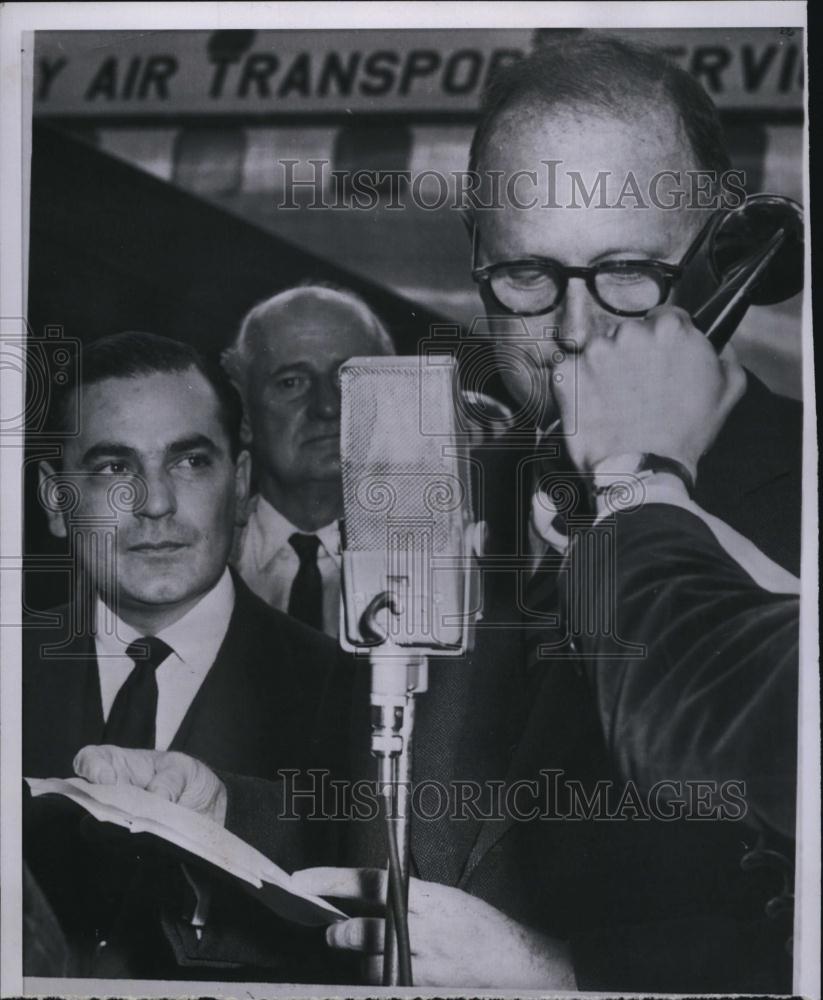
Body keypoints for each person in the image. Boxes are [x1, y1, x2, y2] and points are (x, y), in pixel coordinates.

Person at [67, 35, 804, 992]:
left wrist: (562, 973)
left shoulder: (800, 491)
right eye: (527, 279)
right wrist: (227, 809)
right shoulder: (438, 472)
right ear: (474, 260)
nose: (575, 335)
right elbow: (393, 803)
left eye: (629, 273)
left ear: (716, 263)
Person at [23, 331, 342, 979]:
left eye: (190, 462)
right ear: (56, 501)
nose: (156, 504)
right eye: (114, 468)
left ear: (243, 482)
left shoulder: (348, 698)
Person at [222, 284, 395, 635]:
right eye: (292, 382)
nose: (327, 406)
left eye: (349, 377)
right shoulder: (206, 556)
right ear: (245, 415)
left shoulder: (444, 564)